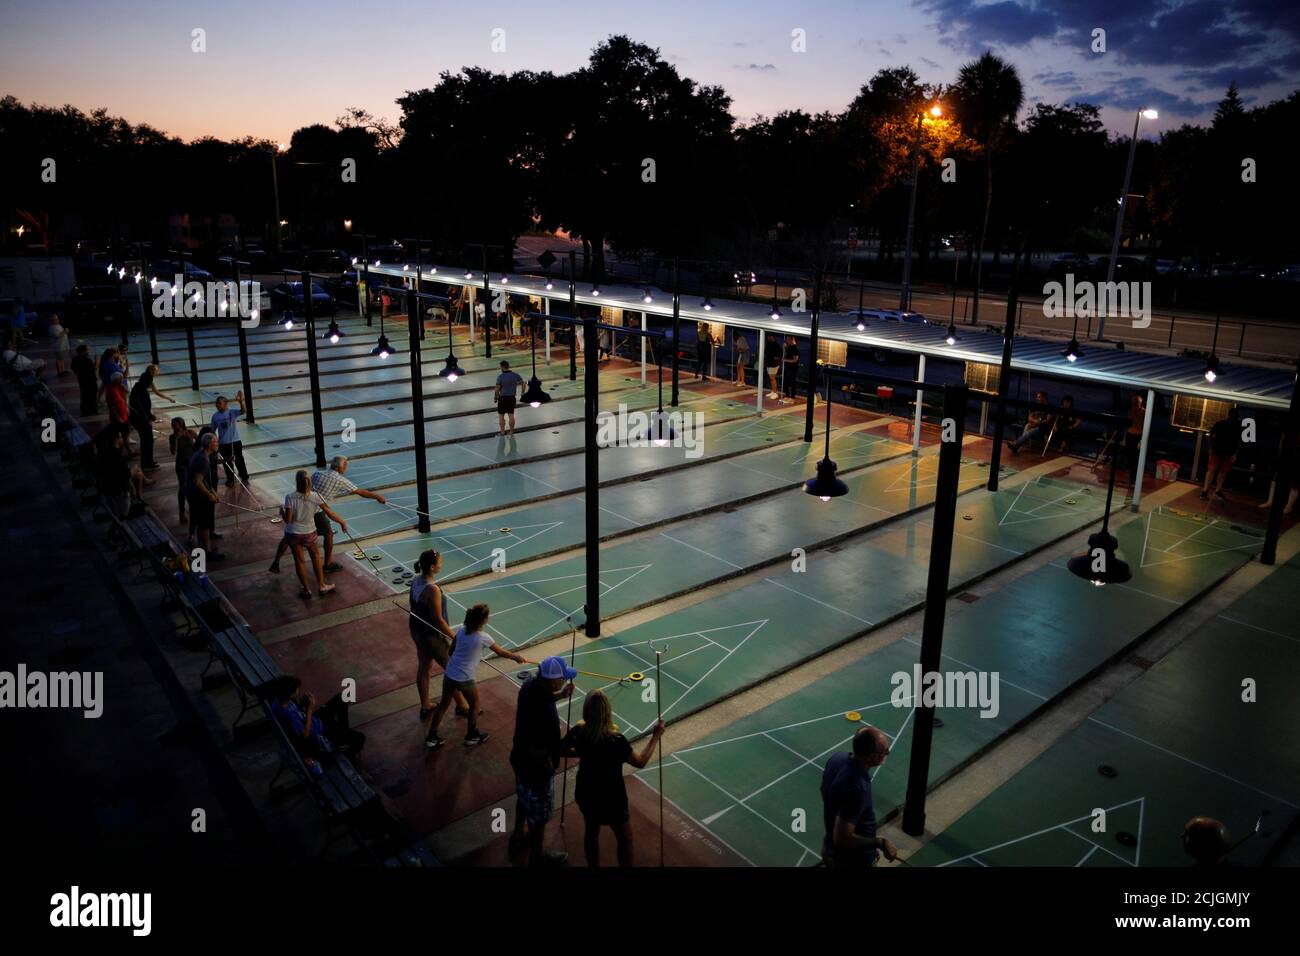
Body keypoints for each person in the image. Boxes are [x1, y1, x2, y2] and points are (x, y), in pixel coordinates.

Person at [560, 690, 664, 867]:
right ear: (607, 712)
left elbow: (560, 749)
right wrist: (655, 736)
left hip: (586, 793)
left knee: (591, 832)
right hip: (612, 799)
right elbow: (640, 761)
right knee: (625, 838)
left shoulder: (579, 732)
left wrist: (580, 752)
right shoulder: (615, 740)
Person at [425, 604, 525, 749]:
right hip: (465, 677)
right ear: (483, 620)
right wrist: (516, 657)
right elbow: (501, 652)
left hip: (450, 673)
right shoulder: (484, 638)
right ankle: (471, 735)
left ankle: (431, 737)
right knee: (475, 705)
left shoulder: (460, 630)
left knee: (443, 705)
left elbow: (451, 651)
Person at [509, 655, 577, 866]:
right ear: (553, 680)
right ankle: (537, 857)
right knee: (538, 817)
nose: (565, 681)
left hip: (519, 757)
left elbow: (543, 698)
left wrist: (560, 696)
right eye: (563, 679)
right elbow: (555, 748)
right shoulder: (547, 713)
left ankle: (518, 834)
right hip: (537, 768)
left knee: (523, 797)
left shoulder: (529, 686)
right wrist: (580, 745)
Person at [269, 456, 386, 573]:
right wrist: (377, 497)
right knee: (328, 534)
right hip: (315, 510)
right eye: (345, 465)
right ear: (340, 467)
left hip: (298, 507)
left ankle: (276, 562)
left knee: (289, 535)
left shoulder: (317, 474)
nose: (346, 467)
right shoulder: (340, 480)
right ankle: (327, 564)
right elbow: (360, 492)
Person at [820, 725, 899, 867]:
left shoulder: (837, 758)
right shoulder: (857, 787)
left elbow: (823, 790)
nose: (887, 753)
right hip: (852, 861)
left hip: (829, 848)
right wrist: (880, 843)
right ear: (871, 756)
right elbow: (842, 838)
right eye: (884, 751)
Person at [408, 549, 471, 720]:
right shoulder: (432, 589)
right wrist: (455, 638)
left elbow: (414, 608)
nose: (441, 565)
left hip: (416, 631)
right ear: (432, 566)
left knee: (424, 667)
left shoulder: (415, 581)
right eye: (439, 563)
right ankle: (462, 705)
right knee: (452, 669)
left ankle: (425, 705)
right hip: (431, 636)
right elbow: (438, 620)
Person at [266, 674, 365, 760]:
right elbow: (305, 735)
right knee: (360, 738)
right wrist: (309, 709)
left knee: (342, 697)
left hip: (315, 721)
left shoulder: (280, 701)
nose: (298, 691)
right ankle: (345, 748)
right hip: (320, 732)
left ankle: (343, 732)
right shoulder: (288, 715)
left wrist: (303, 704)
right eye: (296, 690)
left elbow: (296, 712)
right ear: (291, 694)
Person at [280, 469, 345, 598]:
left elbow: (288, 520)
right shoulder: (315, 496)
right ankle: (321, 586)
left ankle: (306, 590)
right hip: (309, 533)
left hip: (293, 533)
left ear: (297, 481)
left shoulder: (289, 497)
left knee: (300, 561)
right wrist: (341, 522)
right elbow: (329, 513)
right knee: (315, 557)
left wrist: (281, 511)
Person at [187, 432, 224, 560]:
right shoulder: (203, 460)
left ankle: (205, 548)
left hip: (196, 494)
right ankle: (207, 552)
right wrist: (209, 495)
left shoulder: (202, 454)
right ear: (209, 444)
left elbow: (205, 479)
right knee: (204, 524)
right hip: (198, 496)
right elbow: (197, 481)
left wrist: (213, 492)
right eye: (215, 442)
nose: (217, 443)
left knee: (203, 523)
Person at [128, 364, 171, 471]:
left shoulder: (139, 387)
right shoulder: (140, 390)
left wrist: (149, 415)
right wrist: (148, 416)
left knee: (147, 441)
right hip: (141, 420)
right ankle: (147, 464)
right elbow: (140, 407)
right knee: (147, 441)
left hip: (140, 419)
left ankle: (148, 461)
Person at [211, 392, 250, 487]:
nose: (217, 405)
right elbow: (213, 429)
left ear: (225, 404)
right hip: (223, 443)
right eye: (216, 403)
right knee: (226, 462)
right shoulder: (215, 416)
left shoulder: (231, 412)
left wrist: (241, 401)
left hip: (235, 441)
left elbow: (244, 411)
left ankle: (244, 478)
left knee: (239, 460)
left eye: (219, 403)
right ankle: (230, 479)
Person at [1201, 408, 1241, 501]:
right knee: (1211, 470)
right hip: (1217, 450)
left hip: (1228, 453)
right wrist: (1211, 447)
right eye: (1232, 415)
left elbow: (1239, 441)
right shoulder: (1221, 423)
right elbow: (1211, 434)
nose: (1233, 417)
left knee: (1222, 472)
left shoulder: (1237, 426)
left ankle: (1217, 490)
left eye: (1234, 416)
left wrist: (1235, 454)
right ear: (1229, 415)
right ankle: (1205, 490)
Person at [169, 418, 196, 525]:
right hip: (181, 464)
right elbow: (173, 452)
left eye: (177, 425)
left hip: (191, 463)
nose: (175, 428)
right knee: (183, 487)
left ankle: (193, 506)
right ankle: (182, 512)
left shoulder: (190, 432)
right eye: (173, 425)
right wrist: (176, 438)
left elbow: (198, 443)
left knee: (193, 486)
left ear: (182, 425)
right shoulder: (172, 437)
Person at [494, 360, 525, 437]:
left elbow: (497, 389)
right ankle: (511, 432)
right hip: (511, 398)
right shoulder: (515, 375)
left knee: (501, 415)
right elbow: (523, 383)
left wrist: (495, 397)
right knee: (511, 415)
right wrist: (522, 393)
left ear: (502, 367)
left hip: (503, 398)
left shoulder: (500, 377)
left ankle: (502, 432)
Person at [105, 371, 132, 449]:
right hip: (117, 417)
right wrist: (118, 417)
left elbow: (125, 397)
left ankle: (128, 450)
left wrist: (124, 389)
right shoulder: (110, 390)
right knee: (118, 434)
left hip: (124, 414)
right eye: (121, 379)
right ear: (115, 380)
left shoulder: (120, 387)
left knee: (126, 433)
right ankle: (123, 450)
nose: (122, 381)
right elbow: (111, 406)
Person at [1123, 392, 1146, 481]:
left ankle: (1135, 478)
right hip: (1130, 435)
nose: (1135, 405)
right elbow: (1127, 426)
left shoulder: (1143, 412)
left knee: (1135, 458)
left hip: (1137, 436)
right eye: (1134, 403)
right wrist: (1124, 438)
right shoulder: (1131, 411)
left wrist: (1141, 441)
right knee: (1129, 457)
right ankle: (1131, 477)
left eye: (1137, 403)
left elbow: (1144, 427)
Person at [71, 343, 97, 415]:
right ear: (84, 351)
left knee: (84, 395)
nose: (88, 351)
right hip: (90, 380)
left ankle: (84, 410)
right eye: (87, 350)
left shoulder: (75, 359)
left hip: (82, 379)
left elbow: (74, 369)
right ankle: (93, 410)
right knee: (92, 395)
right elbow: (92, 370)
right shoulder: (87, 360)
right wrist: (96, 364)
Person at [781, 335, 800, 400]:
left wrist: (785, 360)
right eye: (786, 339)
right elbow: (787, 355)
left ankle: (792, 396)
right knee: (786, 381)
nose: (787, 341)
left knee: (792, 382)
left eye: (788, 339)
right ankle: (787, 395)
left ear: (792, 339)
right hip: (787, 367)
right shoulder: (789, 347)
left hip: (793, 368)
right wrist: (785, 348)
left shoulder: (795, 348)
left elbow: (795, 360)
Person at [765, 334, 782, 399]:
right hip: (769, 363)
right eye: (768, 336)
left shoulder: (776, 345)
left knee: (772, 378)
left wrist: (776, 358)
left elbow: (780, 353)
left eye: (769, 336)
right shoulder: (768, 344)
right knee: (770, 378)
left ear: (773, 337)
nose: (768, 337)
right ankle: (773, 391)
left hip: (774, 364)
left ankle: (775, 393)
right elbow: (766, 352)